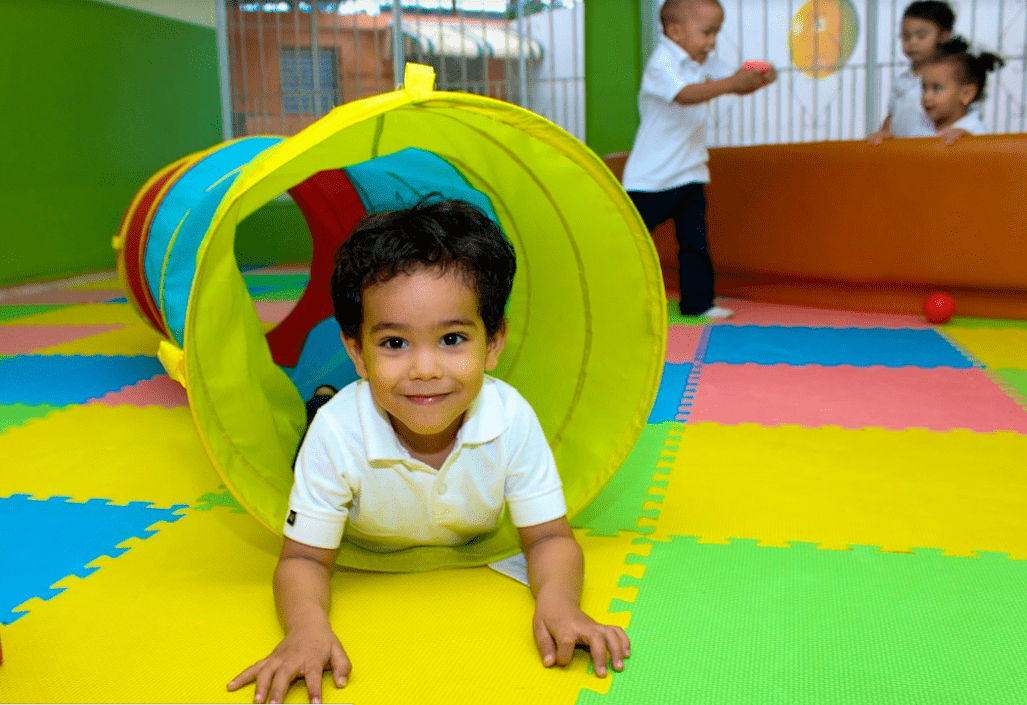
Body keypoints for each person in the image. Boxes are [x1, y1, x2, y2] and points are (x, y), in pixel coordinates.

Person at [227, 198, 630, 704]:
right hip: (344, 449)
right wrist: (306, 630)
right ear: (357, 351)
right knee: (323, 424)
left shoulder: (510, 418)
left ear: (494, 342)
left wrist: (560, 604)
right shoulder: (337, 435)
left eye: (453, 339)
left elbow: (550, 537)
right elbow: (303, 557)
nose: (425, 370)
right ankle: (321, 398)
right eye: (394, 344)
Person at [622, 0, 776, 319]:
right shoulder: (661, 64)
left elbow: (733, 81)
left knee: (694, 243)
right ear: (675, 31)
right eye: (707, 32)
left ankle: (698, 303)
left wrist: (758, 77)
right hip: (650, 177)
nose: (712, 41)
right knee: (629, 245)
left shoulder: (701, 62)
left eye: (716, 33)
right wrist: (733, 83)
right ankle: (613, 294)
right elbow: (684, 94)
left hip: (690, 171)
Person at [867, 1, 982, 145]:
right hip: (905, 151)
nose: (912, 42)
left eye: (921, 36)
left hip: (936, 148)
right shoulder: (902, 80)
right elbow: (892, 115)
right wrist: (883, 133)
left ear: (943, 35)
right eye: (906, 37)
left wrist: (963, 132)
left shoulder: (953, 77)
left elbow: (969, 119)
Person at [920, 38, 1004, 142]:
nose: (926, 97)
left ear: (966, 94)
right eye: (924, 89)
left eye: (937, 88)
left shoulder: (974, 130)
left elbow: (984, 153)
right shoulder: (923, 127)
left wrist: (967, 140)